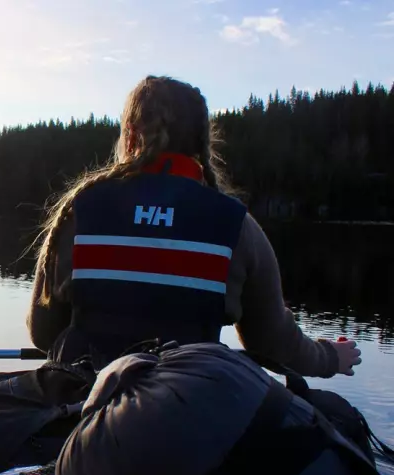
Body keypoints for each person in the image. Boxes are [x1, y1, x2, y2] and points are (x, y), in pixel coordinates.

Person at [26, 75, 361, 379]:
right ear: (202, 141)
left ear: (129, 135)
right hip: (188, 411)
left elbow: (43, 333)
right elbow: (273, 345)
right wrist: (330, 357)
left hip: (85, 408)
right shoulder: (235, 226)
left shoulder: (80, 212)